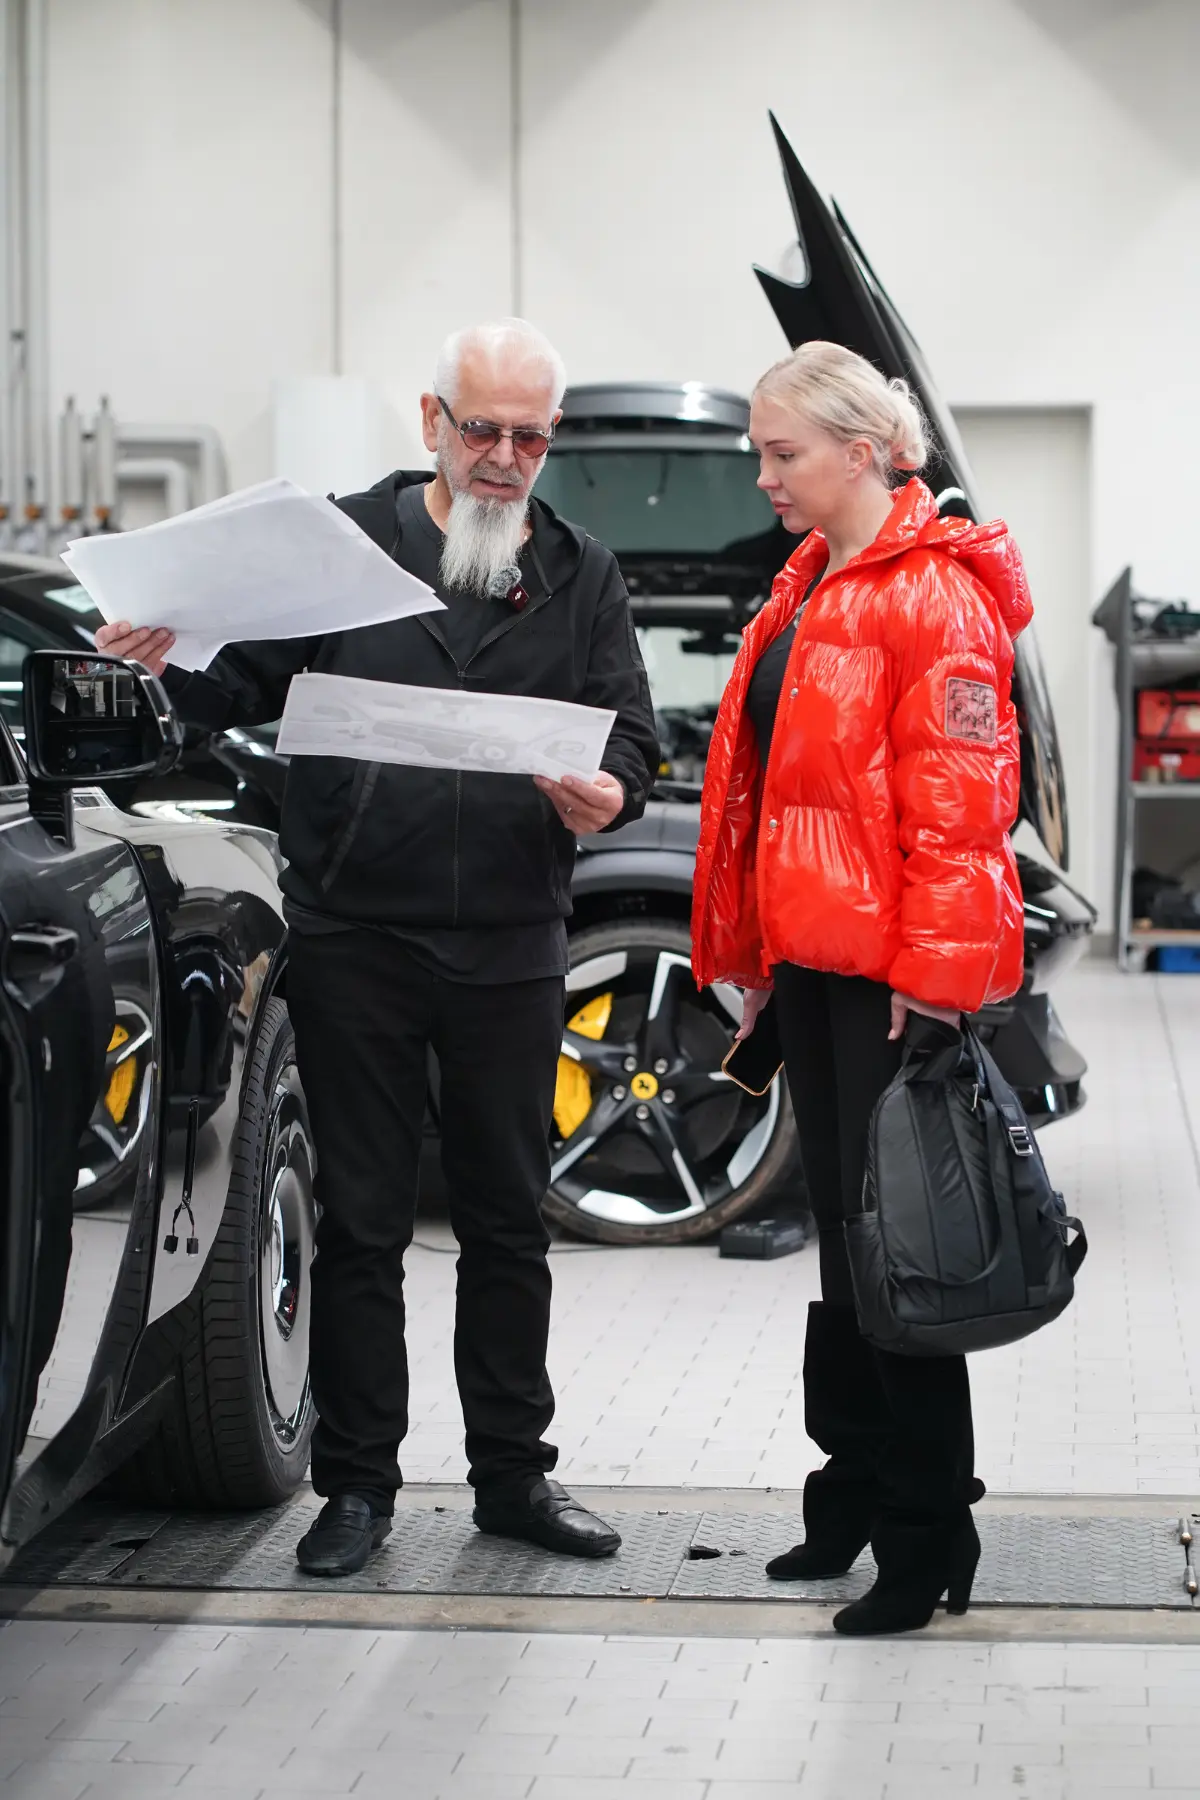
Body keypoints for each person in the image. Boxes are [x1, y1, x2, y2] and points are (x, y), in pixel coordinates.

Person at [96, 318, 660, 1577]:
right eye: (483, 431)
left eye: (530, 436)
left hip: (514, 941)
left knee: (511, 1224)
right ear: (431, 423)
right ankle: (358, 1489)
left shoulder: (583, 574)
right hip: (358, 937)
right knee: (361, 1225)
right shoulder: (336, 549)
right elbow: (225, 684)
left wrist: (614, 791)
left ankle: (515, 1478)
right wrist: (156, 660)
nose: (505, 459)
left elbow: (632, 734)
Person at [691, 340, 1030, 1636]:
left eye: (781, 454)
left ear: (861, 451)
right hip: (819, 977)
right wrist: (764, 958)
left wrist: (939, 988)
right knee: (846, 1254)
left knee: (902, 1264)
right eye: (762, 454)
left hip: (894, 988)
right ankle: (850, 1499)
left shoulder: (931, 598)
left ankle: (927, 1533)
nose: (764, 475)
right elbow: (780, 796)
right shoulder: (812, 582)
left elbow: (960, 818)